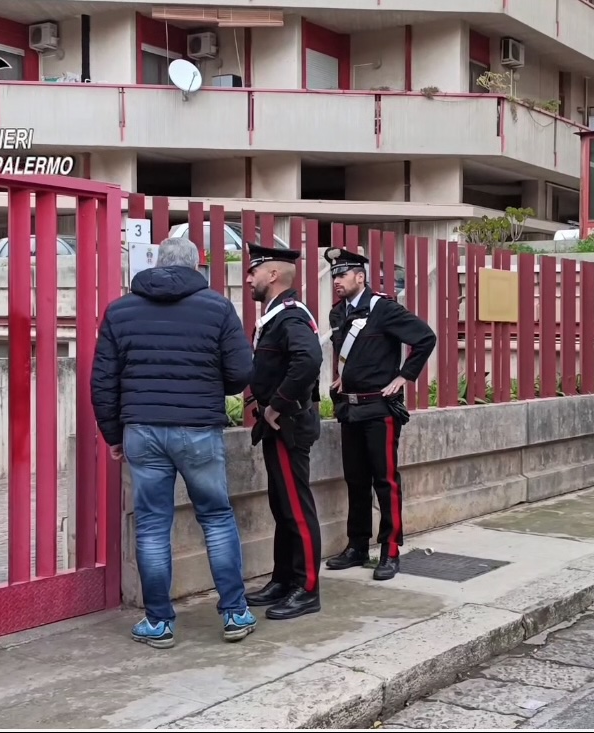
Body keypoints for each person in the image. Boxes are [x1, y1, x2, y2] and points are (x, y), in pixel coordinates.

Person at [91, 237, 256, 650]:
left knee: (151, 525)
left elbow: (103, 381)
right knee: (216, 518)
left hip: (141, 429)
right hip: (198, 427)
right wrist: (209, 385)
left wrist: (113, 434)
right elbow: (240, 372)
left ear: (157, 263)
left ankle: (158, 621)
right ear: (196, 266)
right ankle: (235, 612)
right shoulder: (217, 307)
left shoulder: (119, 310)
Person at [322, 248, 436, 581]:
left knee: (385, 481)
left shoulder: (383, 309)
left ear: (360, 277)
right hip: (350, 408)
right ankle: (357, 546)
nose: (337, 281)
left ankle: (390, 549)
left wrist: (404, 376)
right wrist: (343, 376)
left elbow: (425, 338)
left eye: (343, 275)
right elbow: (350, 355)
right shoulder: (337, 314)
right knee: (355, 480)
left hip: (379, 410)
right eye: (334, 276)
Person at [243, 243, 326, 619]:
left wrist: (276, 403)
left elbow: (308, 359)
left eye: (254, 271)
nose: (249, 279)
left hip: (288, 423)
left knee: (296, 507)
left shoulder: (289, 315)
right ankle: (283, 580)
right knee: (282, 505)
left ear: (273, 275)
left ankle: (307, 589)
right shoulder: (276, 315)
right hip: (278, 425)